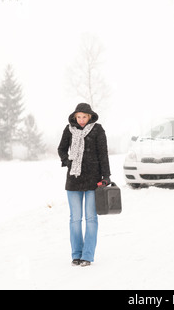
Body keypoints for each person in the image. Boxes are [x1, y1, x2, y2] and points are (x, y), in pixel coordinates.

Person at [58, 103, 111, 267]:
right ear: (75, 117)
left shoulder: (97, 130)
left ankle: (87, 255)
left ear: (90, 117)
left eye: (84, 117)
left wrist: (106, 176)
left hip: (93, 180)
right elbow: (61, 149)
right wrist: (68, 162)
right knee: (75, 219)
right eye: (79, 117)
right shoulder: (69, 130)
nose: (81, 120)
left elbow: (103, 153)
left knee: (90, 218)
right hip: (73, 180)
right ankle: (76, 255)